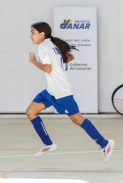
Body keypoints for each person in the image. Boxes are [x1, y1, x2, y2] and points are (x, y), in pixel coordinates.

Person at [27, 22, 114, 161]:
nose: (30, 35)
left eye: (33, 32)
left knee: (77, 119)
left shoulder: (44, 46)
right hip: (51, 90)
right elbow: (69, 58)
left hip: (60, 91)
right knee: (31, 112)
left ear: (42, 34)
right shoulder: (52, 43)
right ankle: (48, 144)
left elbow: (48, 68)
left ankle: (105, 144)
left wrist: (33, 62)